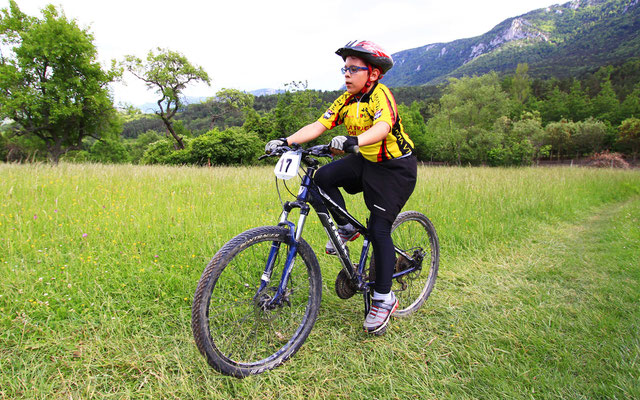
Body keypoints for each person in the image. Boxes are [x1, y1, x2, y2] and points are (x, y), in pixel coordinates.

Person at [265, 40, 417, 334]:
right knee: (321, 179)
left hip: (394, 168)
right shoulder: (345, 100)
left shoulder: (380, 95)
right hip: (366, 161)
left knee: (380, 229)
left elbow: (383, 126)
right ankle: (347, 227)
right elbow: (317, 126)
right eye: (344, 68)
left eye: (353, 69)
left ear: (372, 74)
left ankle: (384, 298)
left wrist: (354, 141)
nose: (346, 74)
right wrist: (287, 142)